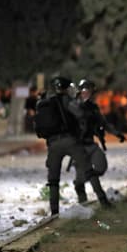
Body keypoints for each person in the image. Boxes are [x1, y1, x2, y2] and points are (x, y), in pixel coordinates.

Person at [36, 77, 93, 216]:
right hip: (69, 140)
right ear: (66, 88)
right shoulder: (66, 100)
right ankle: (101, 201)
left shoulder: (45, 103)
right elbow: (80, 114)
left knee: (53, 180)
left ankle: (54, 212)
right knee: (87, 169)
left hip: (53, 144)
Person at [74, 78, 126, 208]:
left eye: (89, 91)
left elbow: (103, 123)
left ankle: (84, 184)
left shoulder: (92, 107)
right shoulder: (73, 106)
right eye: (84, 90)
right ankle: (94, 201)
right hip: (78, 147)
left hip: (90, 144)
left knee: (100, 167)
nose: (86, 93)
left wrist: (116, 133)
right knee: (85, 175)